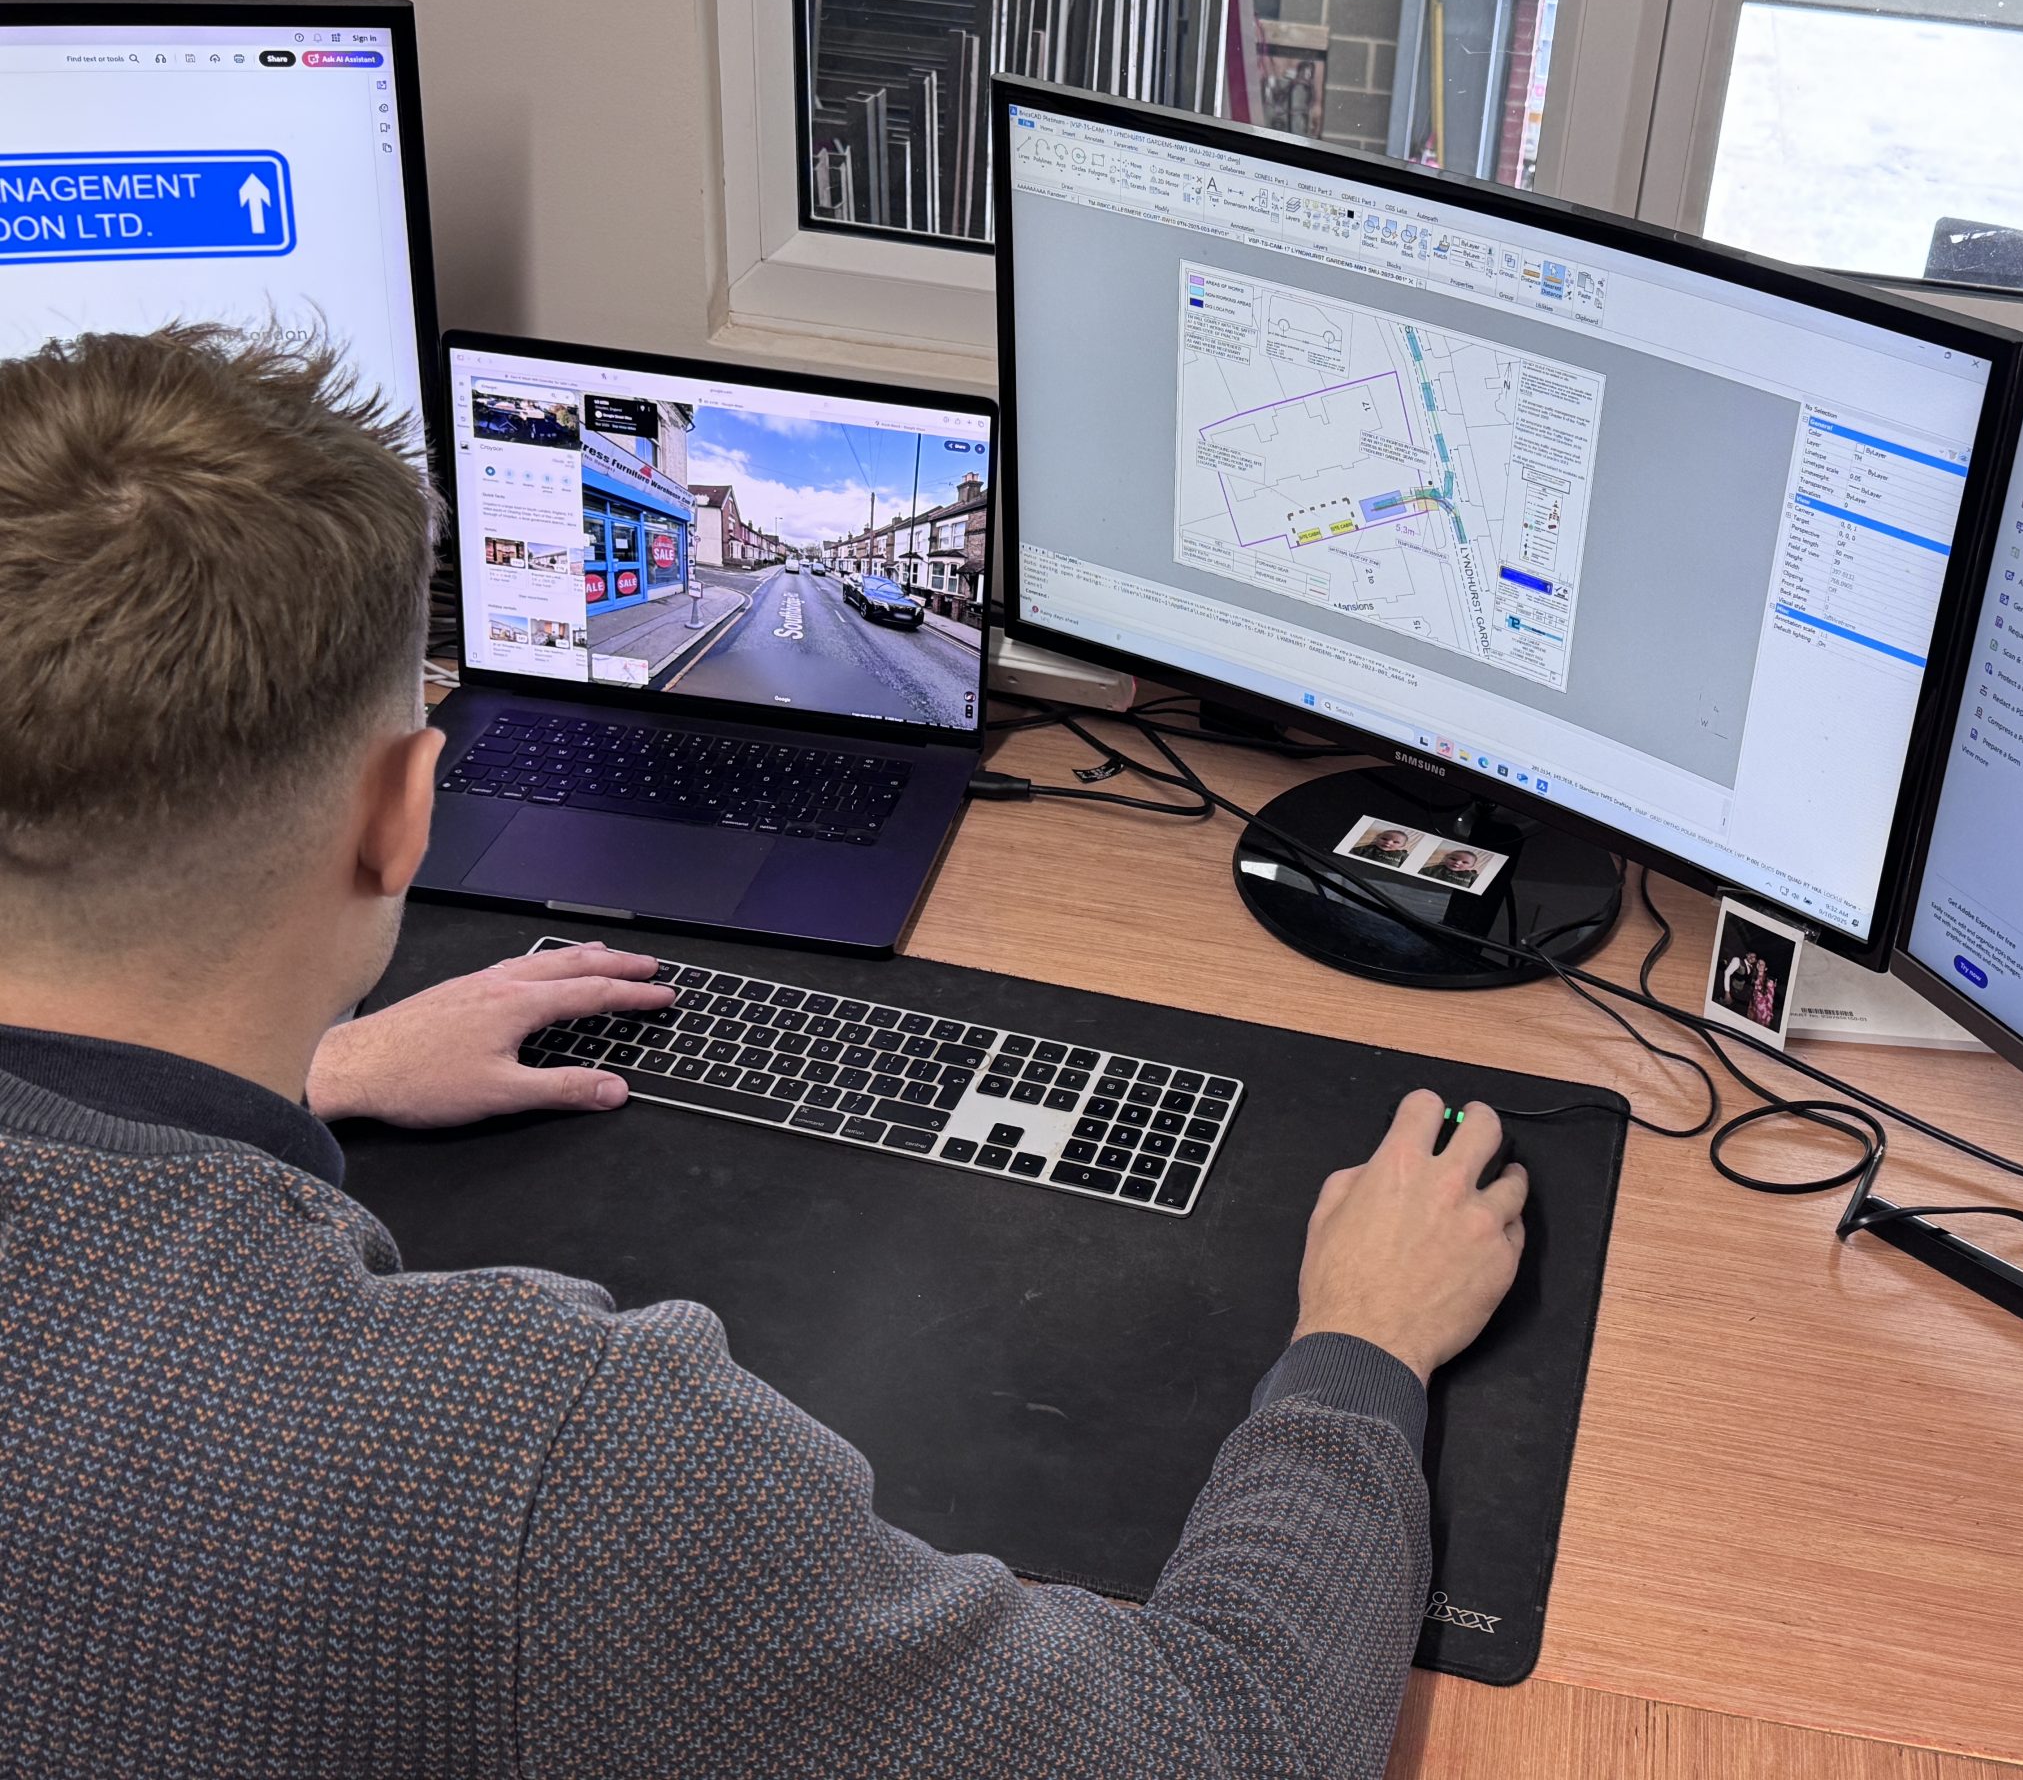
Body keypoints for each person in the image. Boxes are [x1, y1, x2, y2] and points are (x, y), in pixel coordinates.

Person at [0, 327, 1532, 1779]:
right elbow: (1231, 1746)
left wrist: (312, 1071)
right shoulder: (539, 1458)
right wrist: (1364, 1345)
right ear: (407, 813)